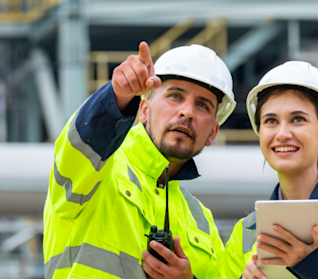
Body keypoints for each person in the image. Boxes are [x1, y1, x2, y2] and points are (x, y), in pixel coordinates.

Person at [43, 42, 236, 279]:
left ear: (212, 134)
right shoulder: (99, 167)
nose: (187, 112)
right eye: (175, 96)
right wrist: (117, 96)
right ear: (143, 109)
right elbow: (82, 142)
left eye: (202, 105)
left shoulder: (202, 221)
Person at [222, 61, 318, 279]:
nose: (282, 133)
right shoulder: (244, 233)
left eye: (297, 119)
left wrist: (316, 267)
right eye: (271, 121)